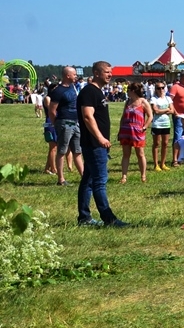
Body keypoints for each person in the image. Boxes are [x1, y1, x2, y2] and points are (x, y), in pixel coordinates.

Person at [76, 61, 128, 227]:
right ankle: (109, 219)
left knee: (88, 181)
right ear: (97, 73)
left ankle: (84, 218)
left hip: (97, 144)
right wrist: (99, 138)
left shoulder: (97, 92)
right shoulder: (89, 91)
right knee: (99, 181)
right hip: (94, 144)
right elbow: (87, 116)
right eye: (107, 72)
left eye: (110, 72)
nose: (110, 75)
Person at [48, 66, 83, 186]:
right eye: (74, 74)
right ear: (67, 75)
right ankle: (61, 179)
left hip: (76, 123)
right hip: (64, 123)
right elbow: (52, 110)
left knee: (77, 151)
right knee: (62, 150)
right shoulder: (58, 91)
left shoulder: (73, 88)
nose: (76, 76)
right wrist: (56, 124)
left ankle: (84, 177)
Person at [117, 82, 151, 183]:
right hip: (126, 130)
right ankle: (124, 177)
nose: (127, 92)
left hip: (138, 131)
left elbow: (150, 116)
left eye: (128, 90)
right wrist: (120, 130)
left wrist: (145, 127)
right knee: (126, 154)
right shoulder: (128, 102)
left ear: (132, 91)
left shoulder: (143, 102)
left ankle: (143, 176)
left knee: (140, 154)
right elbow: (123, 116)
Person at [150, 82, 174, 171]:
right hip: (157, 124)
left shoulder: (168, 98)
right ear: (155, 89)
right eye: (158, 88)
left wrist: (164, 110)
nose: (161, 90)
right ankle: (156, 164)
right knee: (156, 144)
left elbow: (172, 110)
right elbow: (156, 111)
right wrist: (167, 109)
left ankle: (163, 163)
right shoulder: (153, 99)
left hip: (166, 123)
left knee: (165, 143)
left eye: (162, 88)